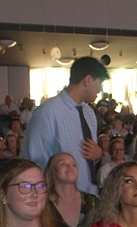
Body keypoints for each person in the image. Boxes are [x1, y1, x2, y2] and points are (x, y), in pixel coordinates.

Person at [22, 57, 108, 195]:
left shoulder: (89, 112)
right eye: (100, 83)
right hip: (59, 196)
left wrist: (98, 155)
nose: (101, 89)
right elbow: (34, 160)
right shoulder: (47, 112)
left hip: (90, 193)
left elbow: (89, 154)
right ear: (88, 80)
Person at [45, 152, 98, 227]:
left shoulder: (92, 201)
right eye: (63, 164)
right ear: (52, 173)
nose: (70, 167)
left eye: (73, 164)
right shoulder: (43, 205)